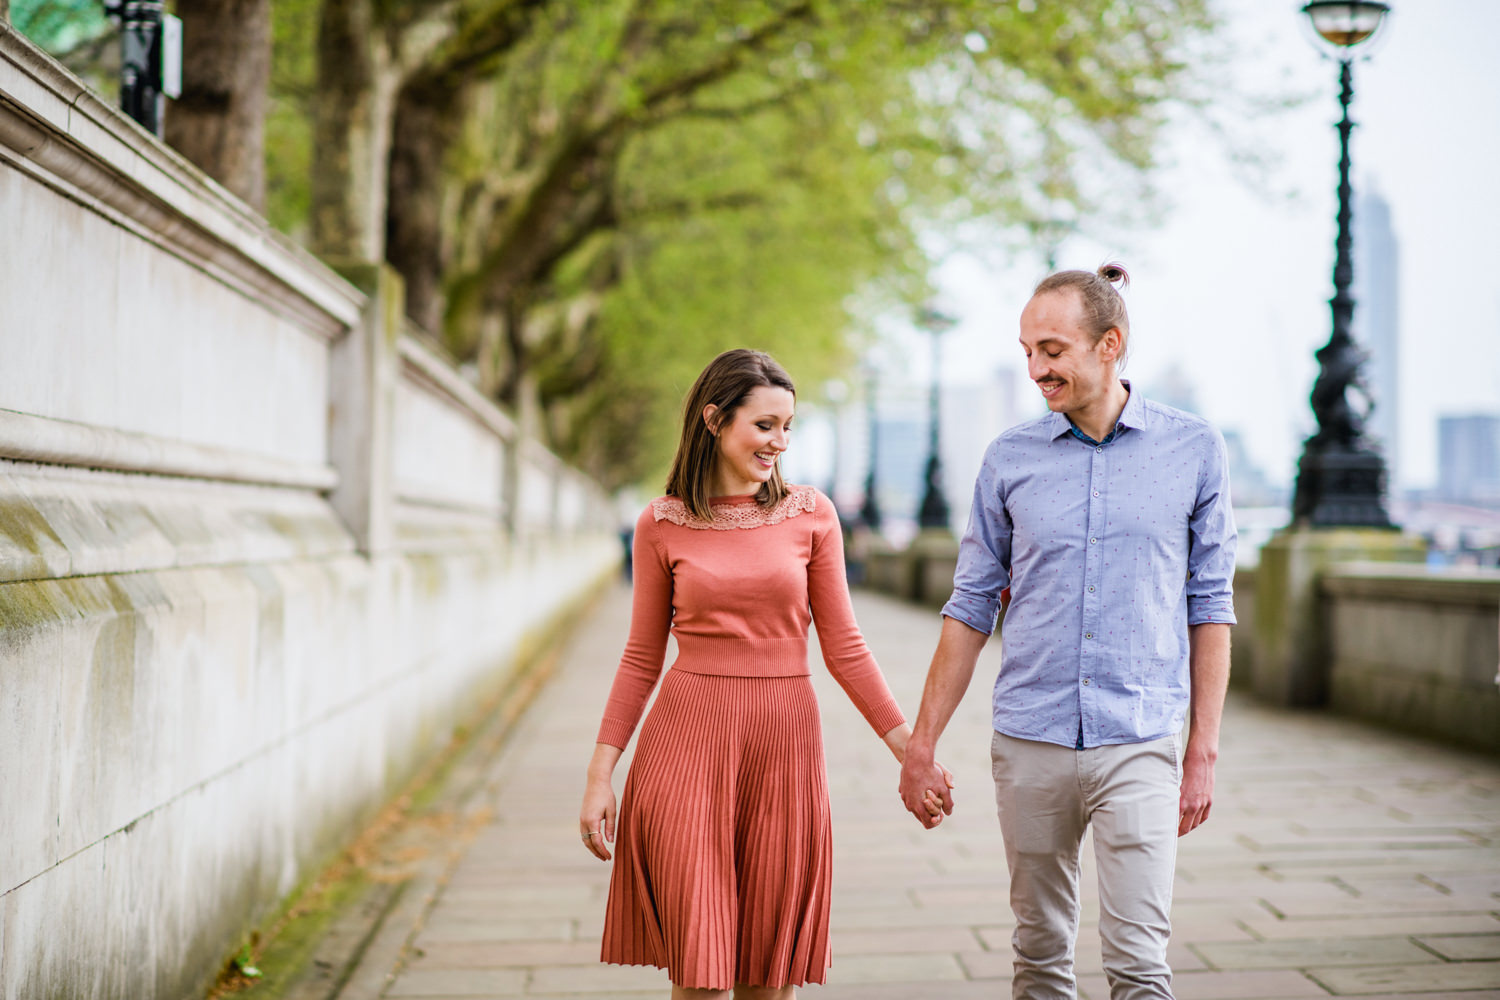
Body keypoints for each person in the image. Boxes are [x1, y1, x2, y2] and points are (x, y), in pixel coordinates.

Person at [898, 264, 1237, 999]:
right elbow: (967, 609)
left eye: (1052, 349)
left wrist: (1202, 750)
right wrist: (920, 746)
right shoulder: (1008, 460)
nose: (1035, 368)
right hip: (1030, 738)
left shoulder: (1195, 450)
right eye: (1027, 350)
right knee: (1040, 959)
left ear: (1109, 344)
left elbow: (1211, 606)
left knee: (1141, 968)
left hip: (1141, 736)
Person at [580, 349, 947, 1000]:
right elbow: (641, 656)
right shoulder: (661, 523)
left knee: (767, 972)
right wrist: (600, 774)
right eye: (765, 425)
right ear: (714, 420)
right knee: (701, 971)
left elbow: (846, 648)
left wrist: (910, 748)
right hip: (684, 745)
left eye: (788, 427)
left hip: (783, 747)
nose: (779, 442)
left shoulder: (812, 515)